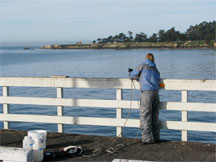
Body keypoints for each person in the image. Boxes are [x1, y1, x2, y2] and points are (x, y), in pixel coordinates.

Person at [129, 53, 161, 144]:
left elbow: (132, 75)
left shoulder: (142, 66)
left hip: (146, 93)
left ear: (146, 58)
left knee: (145, 115)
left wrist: (130, 71)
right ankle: (156, 137)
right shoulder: (155, 69)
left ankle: (147, 138)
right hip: (156, 93)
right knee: (155, 115)